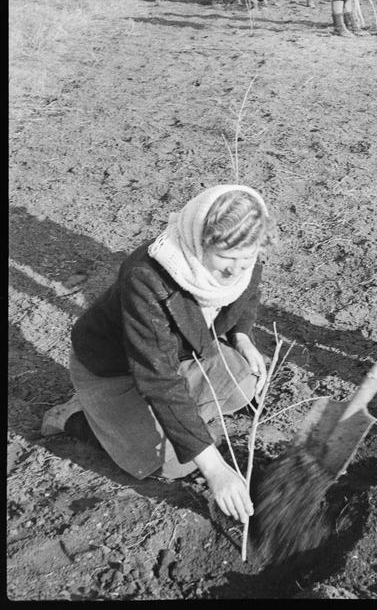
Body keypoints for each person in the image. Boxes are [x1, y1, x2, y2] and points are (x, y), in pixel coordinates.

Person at [41, 184, 272, 523]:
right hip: (115, 369)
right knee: (176, 464)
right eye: (225, 258)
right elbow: (158, 379)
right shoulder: (147, 278)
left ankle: (164, 423)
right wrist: (216, 469)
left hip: (176, 356)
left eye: (246, 259)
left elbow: (246, 293)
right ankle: (75, 416)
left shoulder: (243, 255)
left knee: (244, 381)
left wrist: (242, 336)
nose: (234, 270)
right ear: (200, 241)